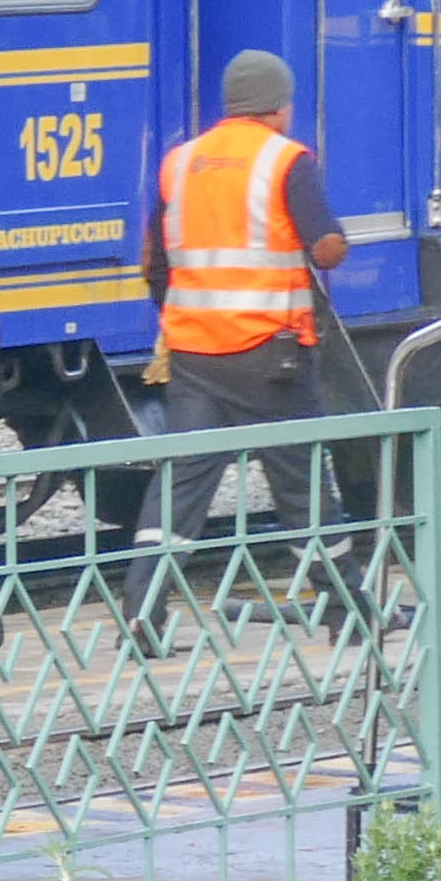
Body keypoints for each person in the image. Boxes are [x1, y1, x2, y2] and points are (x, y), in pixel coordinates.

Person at [121, 50, 378, 639]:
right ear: (280, 105)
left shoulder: (180, 163)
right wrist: (337, 246)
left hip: (193, 355)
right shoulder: (287, 161)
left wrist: (184, 317)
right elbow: (325, 246)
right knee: (302, 485)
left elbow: (154, 262)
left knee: (181, 485)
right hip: (272, 356)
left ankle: (142, 612)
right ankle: (347, 612)